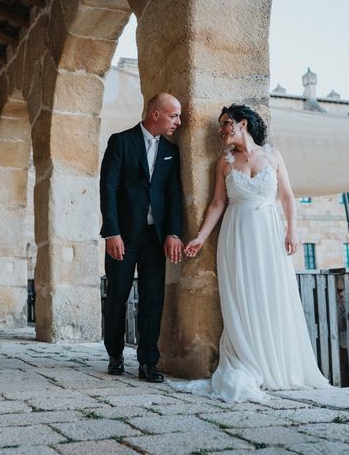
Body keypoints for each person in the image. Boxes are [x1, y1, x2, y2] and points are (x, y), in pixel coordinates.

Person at [171, 103, 329, 402]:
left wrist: (292, 230)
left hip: (269, 233)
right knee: (243, 297)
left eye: (225, 123)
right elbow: (218, 203)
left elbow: (287, 196)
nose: (221, 130)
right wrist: (201, 237)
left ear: (243, 123)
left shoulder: (273, 155)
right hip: (237, 234)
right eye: (220, 125)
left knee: (273, 294)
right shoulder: (224, 162)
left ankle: (279, 364)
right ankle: (250, 358)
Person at [100, 93, 184, 383]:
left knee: (153, 299)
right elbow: (108, 188)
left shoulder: (171, 151)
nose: (179, 121)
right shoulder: (121, 142)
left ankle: (148, 362)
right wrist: (112, 231)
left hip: (155, 237)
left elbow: (174, 195)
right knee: (117, 296)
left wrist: (173, 233)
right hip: (123, 235)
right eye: (174, 116)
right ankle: (115, 353)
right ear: (157, 114)